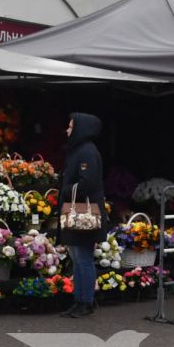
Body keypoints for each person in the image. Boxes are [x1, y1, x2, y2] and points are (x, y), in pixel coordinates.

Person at [58, 112, 104, 319]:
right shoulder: (80, 150)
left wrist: (65, 190)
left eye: (70, 126)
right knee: (78, 258)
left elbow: (88, 182)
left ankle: (86, 301)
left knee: (82, 258)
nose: (67, 130)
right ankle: (80, 300)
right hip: (78, 211)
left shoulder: (86, 152)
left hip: (82, 212)